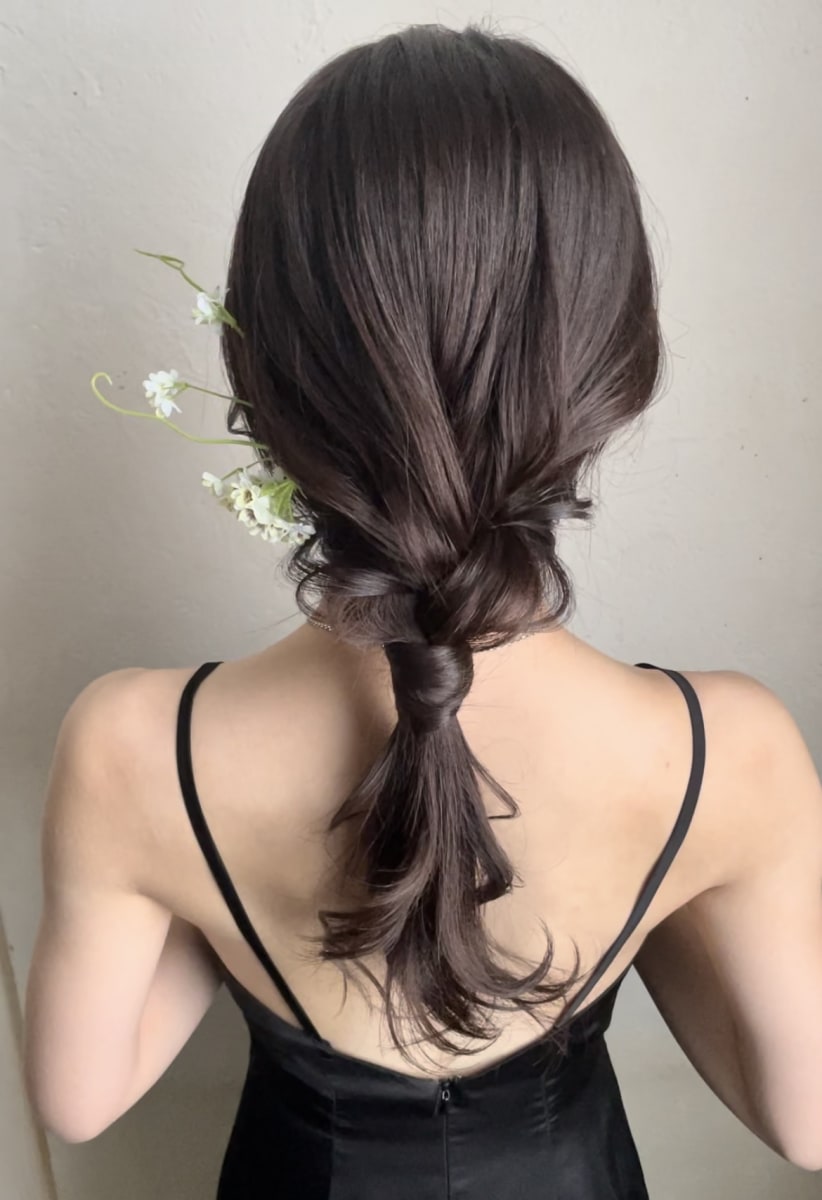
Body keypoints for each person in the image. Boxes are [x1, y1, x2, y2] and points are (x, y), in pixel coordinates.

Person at [23, 21, 822, 1198]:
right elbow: (806, 1122)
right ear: (612, 364)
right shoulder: (723, 751)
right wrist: (649, 901)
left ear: (263, 369)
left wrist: (219, 890)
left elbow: (78, 1097)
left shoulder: (135, 747)